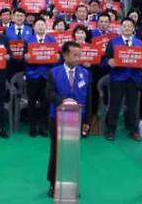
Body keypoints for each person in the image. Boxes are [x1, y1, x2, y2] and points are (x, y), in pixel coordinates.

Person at [45, 41, 91, 198]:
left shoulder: (85, 73)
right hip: (57, 117)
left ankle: (72, 183)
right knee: (57, 151)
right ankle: (53, 183)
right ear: (65, 55)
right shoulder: (54, 72)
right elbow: (49, 94)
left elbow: (90, 99)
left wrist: (87, 121)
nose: (78, 58)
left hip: (78, 119)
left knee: (73, 152)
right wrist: (63, 101)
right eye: (74, 55)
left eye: (80, 55)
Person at [105, 18, 142, 141]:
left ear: (134, 28)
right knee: (114, 105)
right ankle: (111, 130)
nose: (127, 28)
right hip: (117, 77)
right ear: (120, 28)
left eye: (130, 26)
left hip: (134, 78)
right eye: (125, 26)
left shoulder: (140, 43)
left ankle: (134, 130)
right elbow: (107, 57)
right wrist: (109, 61)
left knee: (133, 106)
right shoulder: (113, 42)